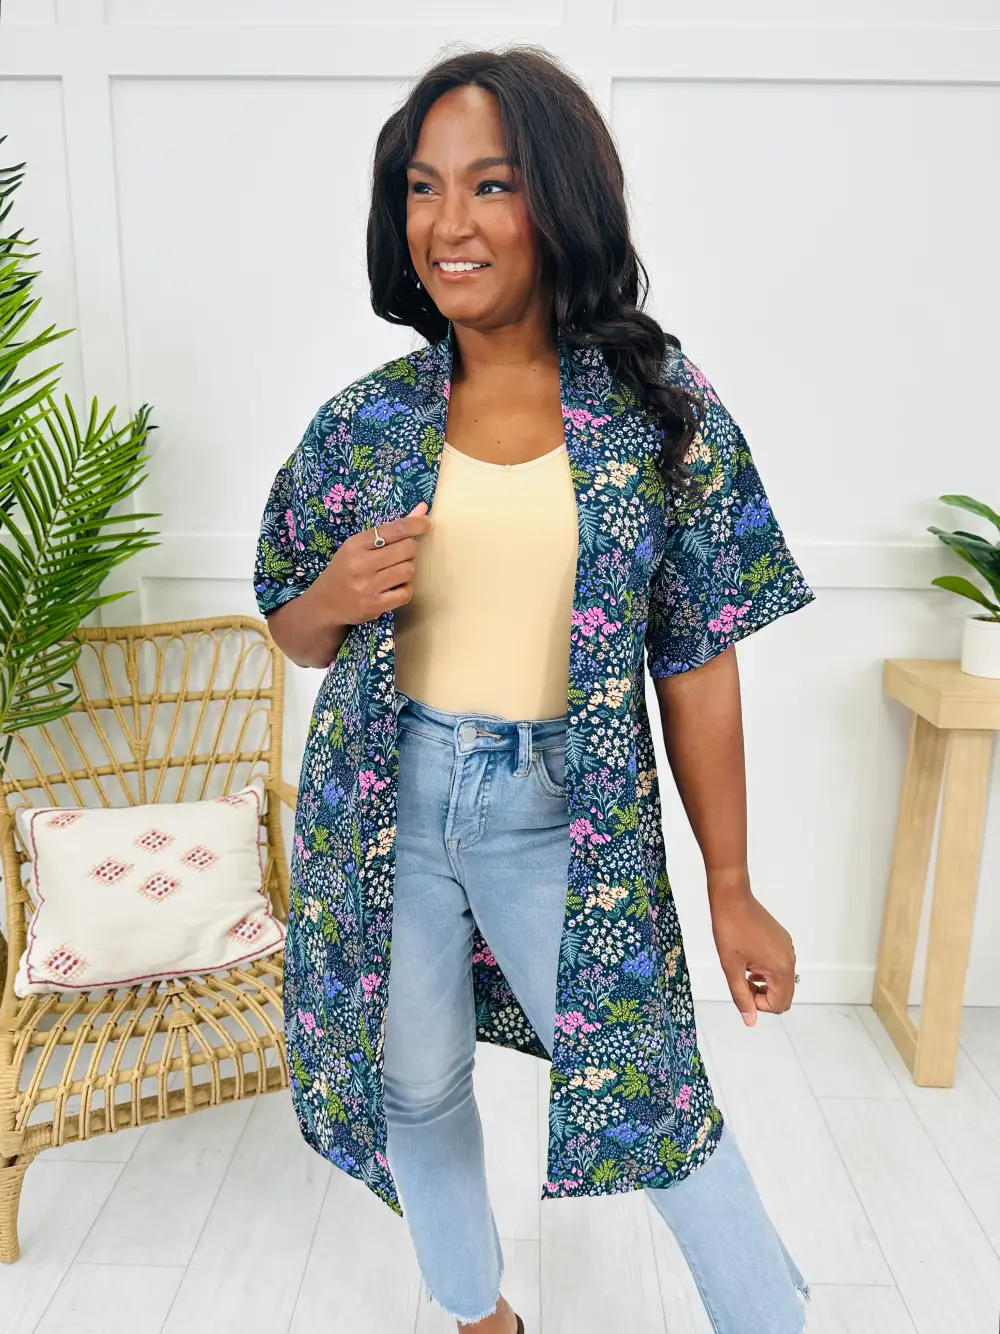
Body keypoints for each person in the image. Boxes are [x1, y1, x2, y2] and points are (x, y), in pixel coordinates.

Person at [254, 44, 815, 1334]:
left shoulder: (657, 411)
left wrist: (731, 885)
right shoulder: (367, 421)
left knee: (649, 1096)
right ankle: (479, 1315)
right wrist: (332, 594)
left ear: (559, 200)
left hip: (555, 811)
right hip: (383, 808)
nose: (449, 223)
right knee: (415, 1085)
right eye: (423, 187)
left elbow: (699, 655)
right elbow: (297, 630)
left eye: (491, 184)